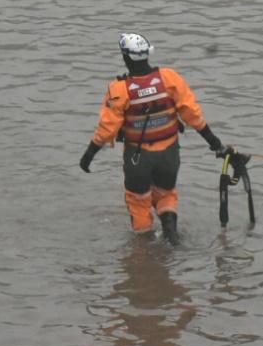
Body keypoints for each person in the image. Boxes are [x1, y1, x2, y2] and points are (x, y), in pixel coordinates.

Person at [78, 33, 234, 243]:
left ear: (125, 58)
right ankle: (171, 232)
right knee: (166, 193)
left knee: (138, 201)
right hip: (169, 154)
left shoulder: (119, 90)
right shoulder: (169, 78)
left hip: (138, 158)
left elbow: (107, 130)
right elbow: (192, 114)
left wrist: (88, 155)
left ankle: (144, 250)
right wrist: (215, 144)